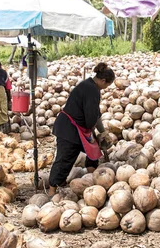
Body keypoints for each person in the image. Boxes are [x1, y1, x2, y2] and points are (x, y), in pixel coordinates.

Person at [48, 62, 115, 196]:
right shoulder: (91, 90)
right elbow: (91, 118)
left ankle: (94, 180)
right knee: (65, 159)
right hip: (69, 129)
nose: (106, 88)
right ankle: (52, 190)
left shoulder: (90, 86)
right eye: (107, 85)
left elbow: (96, 115)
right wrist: (98, 133)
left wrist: (102, 133)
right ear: (102, 80)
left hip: (77, 128)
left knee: (93, 152)